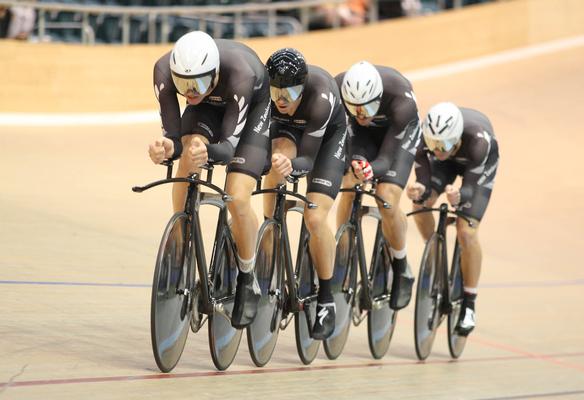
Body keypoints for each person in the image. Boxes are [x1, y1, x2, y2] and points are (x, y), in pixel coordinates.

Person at [148, 31, 271, 329]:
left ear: (214, 73)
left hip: (249, 108)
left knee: (238, 195)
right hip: (208, 108)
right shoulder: (164, 71)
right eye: (183, 85)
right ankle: (182, 233)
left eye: (198, 83)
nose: (189, 92)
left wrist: (210, 151)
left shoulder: (240, 74)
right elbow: (174, 138)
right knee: (189, 154)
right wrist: (167, 148)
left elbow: (228, 149)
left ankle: (247, 275)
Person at [263, 48, 347, 340]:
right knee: (274, 167)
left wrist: (291, 167)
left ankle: (326, 297)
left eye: (291, 92)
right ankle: (268, 245)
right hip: (287, 131)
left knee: (314, 216)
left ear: (304, 85)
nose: (283, 100)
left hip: (325, 143)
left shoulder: (320, 96)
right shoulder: (267, 95)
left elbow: (307, 162)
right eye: (277, 92)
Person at [406, 102, 499, 336]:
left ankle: (469, 303)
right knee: (420, 204)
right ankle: (435, 251)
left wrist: (460, 196)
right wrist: (419, 189)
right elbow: (424, 178)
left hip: (477, 166)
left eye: (444, 144)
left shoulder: (480, 143)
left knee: (466, 231)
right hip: (445, 166)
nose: (438, 150)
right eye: (433, 145)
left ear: (456, 137)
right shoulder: (426, 140)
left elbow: (470, 188)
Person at [335, 61, 421, 310]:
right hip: (363, 136)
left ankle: (401, 265)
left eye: (367, 107)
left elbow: (386, 158)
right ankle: (343, 254)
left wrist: (372, 170)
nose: (362, 114)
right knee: (349, 183)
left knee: (386, 196)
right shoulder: (338, 90)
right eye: (355, 108)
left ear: (379, 97)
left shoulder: (401, 100)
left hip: (397, 134)